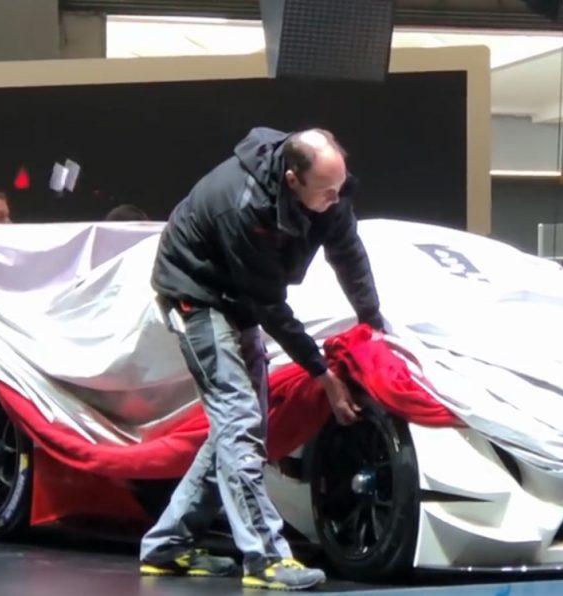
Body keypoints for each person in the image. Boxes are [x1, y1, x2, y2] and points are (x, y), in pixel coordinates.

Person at [138, 127, 384, 591]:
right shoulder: (242, 205)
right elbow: (270, 306)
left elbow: (349, 254)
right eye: (327, 191)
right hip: (197, 297)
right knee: (240, 424)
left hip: (240, 297)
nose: (337, 199)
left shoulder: (329, 190)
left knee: (238, 431)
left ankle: (166, 545)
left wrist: (373, 322)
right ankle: (266, 557)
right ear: (292, 179)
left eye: (340, 187)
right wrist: (322, 374)